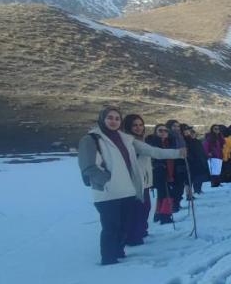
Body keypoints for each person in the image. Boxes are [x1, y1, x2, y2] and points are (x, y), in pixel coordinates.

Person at [79, 108, 185, 265]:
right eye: (110, 118)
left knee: (123, 226)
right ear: (102, 119)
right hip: (108, 193)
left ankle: (119, 253)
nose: (114, 121)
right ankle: (109, 259)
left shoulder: (127, 139)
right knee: (111, 227)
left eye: (117, 118)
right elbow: (88, 166)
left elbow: (152, 151)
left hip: (128, 190)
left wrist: (177, 153)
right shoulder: (91, 139)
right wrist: (108, 181)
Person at [122, 114, 151, 246]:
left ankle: (141, 231)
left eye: (140, 125)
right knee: (137, 210)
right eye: (135, 125)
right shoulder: (127, 142)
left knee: (145, 208)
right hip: (133, 182)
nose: (138, 128)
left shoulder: (141, 140)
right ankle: (133, 237)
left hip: (144, 181)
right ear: (128, 126)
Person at [181, 124, 209, 195]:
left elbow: (201, 150)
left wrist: (204, 157)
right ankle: (190, 194)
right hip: (191, 162)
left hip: (199, 161)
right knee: (189, 179)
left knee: (199, 177)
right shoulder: (183, 140)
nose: (190, 133)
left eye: (191, 132)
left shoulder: (196, 141)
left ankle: (197, 190)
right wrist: (191, 158)